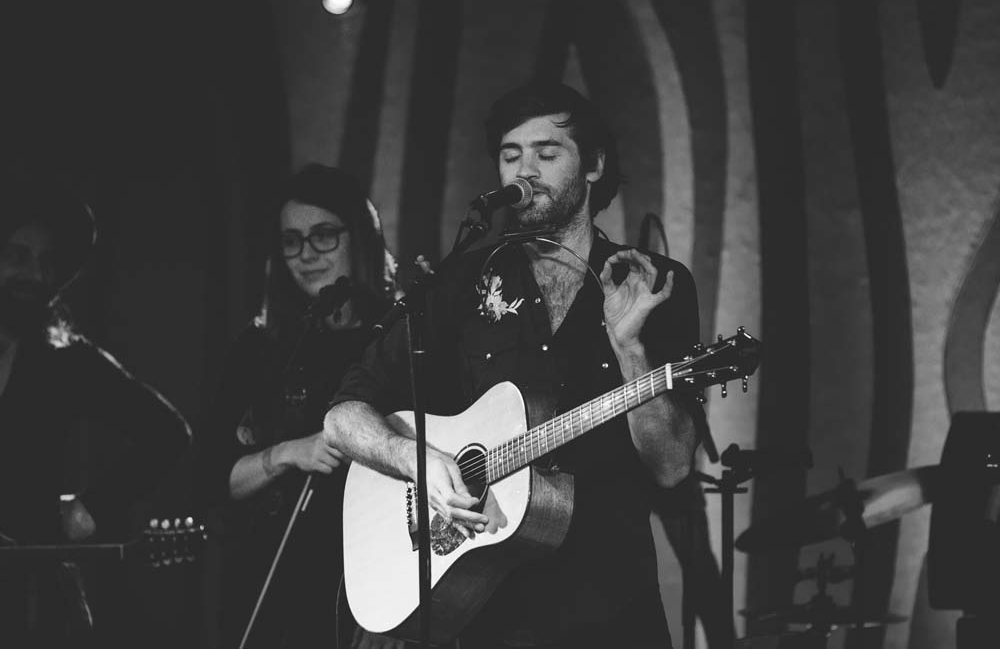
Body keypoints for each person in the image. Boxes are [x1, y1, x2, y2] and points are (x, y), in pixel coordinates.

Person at [324, 81, 704, 648]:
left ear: (594, 165)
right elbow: (343, 416)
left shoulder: (650, 282)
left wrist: (630, 349)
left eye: (547, 154)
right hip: (484, 609)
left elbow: (672, 466)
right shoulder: (457, 284)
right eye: (510, 156)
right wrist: (416, 459)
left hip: (613, 606)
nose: (524, 171)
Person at [198, 164, 400, 648]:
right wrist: (287, 452)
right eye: (291, 241)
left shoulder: (398, 333)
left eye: (324, 235)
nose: (306, 254)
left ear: (361, 237)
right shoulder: (260, 346)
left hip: (371, 580)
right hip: (268, 579)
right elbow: (211, 477)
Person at [0, 178, 192, 646]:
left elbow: (168, 434)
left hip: (29, 604)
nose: (35, 276)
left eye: (48, 264)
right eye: (18, 257)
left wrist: (88, 510)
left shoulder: (66, 359)